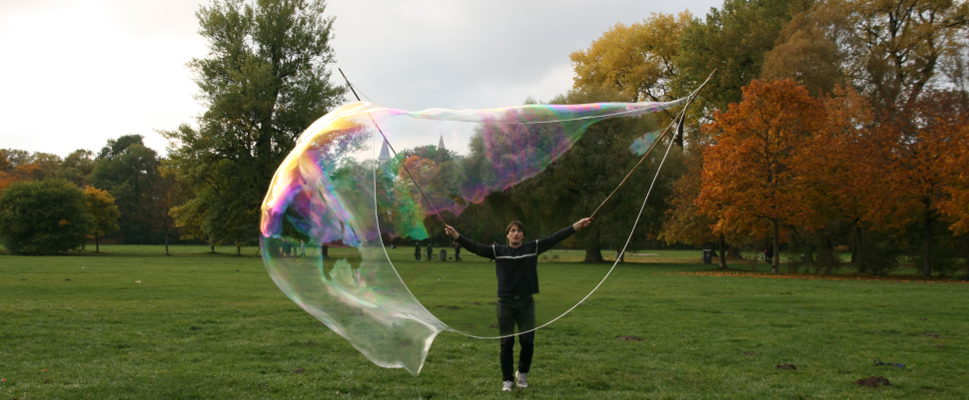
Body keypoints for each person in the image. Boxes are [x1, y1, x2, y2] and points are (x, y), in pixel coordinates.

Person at [445, 217, 593, 392]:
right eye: (512, 231)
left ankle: (522, 372)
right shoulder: (498, 251)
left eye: (519, 231)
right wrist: (457, 236)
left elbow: (555, 237)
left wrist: (576, 227)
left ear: (523, 236)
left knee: (527, 342)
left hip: (526, 304)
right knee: (506, 344)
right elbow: (476, 247)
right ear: (507, 235)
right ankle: (507, 380)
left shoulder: (532, 248)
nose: (516, 233)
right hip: (505, 304)